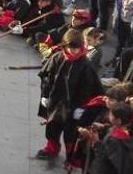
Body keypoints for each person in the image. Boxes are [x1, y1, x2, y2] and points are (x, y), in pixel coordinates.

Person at [35, 28, 103, 161]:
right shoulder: (57, 58)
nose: (73, 51)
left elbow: (90, 89)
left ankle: (71, 156)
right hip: (56, 102)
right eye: (70, 48)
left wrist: (82, 107)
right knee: (53, 126)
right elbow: (46, 78)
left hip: (74, 105)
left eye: (76, 48)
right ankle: (52, 147)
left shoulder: (86, 66)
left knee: (71, 132)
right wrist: (45, 95)